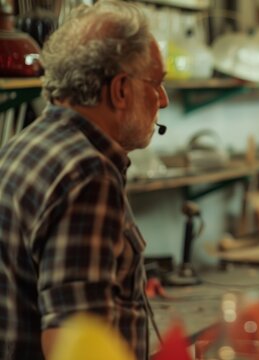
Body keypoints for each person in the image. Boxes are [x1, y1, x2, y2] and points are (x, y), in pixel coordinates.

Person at [0, 1, 168, 359]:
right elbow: (73, 346)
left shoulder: (24, 146)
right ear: (121, 89)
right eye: (157, 84)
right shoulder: (87, 174)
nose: (164, 101)